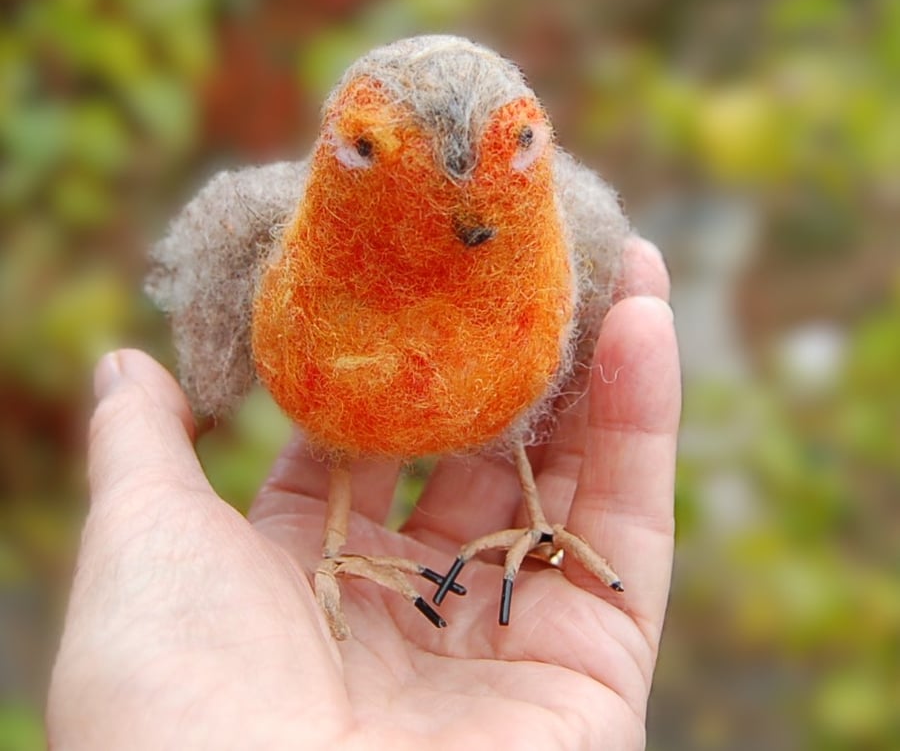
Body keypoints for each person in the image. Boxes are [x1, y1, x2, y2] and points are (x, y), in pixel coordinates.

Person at [47, 237, 679, 750]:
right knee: (345, 427)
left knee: (512, 403)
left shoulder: (527, 237)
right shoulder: (307, 250)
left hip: (482, 385)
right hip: (372, 389)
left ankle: (533, 522)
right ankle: (335, 551)